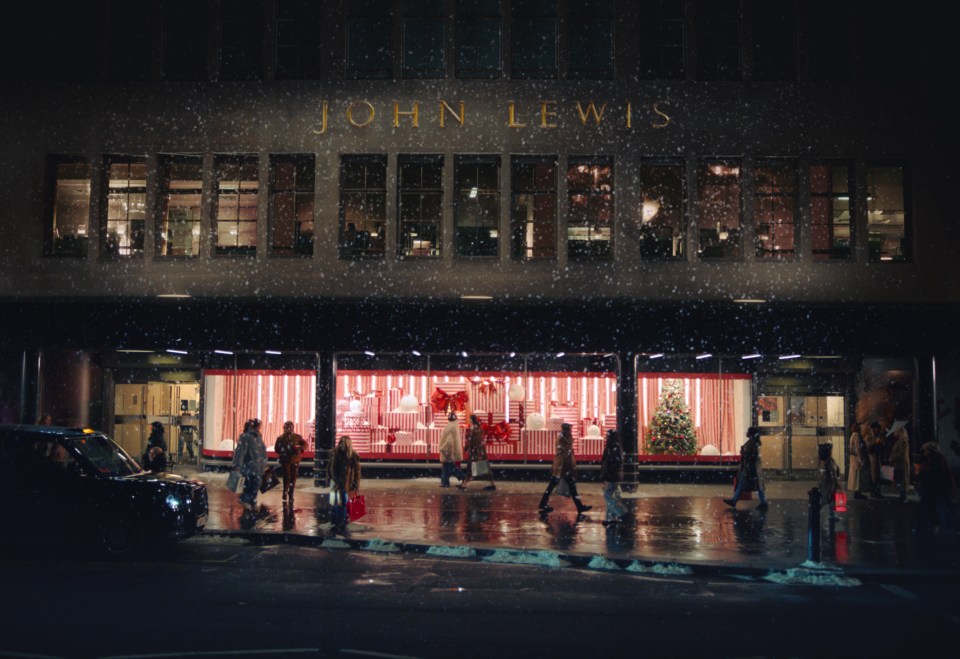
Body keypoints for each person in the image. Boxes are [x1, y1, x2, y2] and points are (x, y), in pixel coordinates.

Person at [538, 422, 592, 515]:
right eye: (569, 430)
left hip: (563, 467)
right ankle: (579, 507)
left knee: (555, 486)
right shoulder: (562, 439)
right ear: (566, 431)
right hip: (562, 467)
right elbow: (567, 450)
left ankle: (543, 504)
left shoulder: (564, 439)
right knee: (569, 487)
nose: (571, 431)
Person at [913, 441, 959, 535]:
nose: (924, 452)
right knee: (927, 507)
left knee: (947, 507)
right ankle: (922, 527)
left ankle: (954, 526)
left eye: (926, 450)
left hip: (940, 488)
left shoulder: (939, 459)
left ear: (930, 451)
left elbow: (937, 473)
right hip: (931, 488)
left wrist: (924, 469)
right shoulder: (928, 458)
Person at [724, 426, 769, 511]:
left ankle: (735, 500)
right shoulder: (754, 442)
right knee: (755, 486)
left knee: (746, 484)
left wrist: (744, 456)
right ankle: (763, 502)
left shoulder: (752, 444)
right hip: (751, 468)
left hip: (750, 468)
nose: (746, 433)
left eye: (748, 431)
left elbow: (750, 456)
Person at [232, 418, 267, 513]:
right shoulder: (246, 437)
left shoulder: (258, 437)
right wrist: (237, 464)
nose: (260, 428)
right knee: (250, 485)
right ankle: (245, 500)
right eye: (258, 426)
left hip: (257, 467)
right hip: (249, 466)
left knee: (256, 485)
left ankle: (251, 502)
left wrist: (264, 463)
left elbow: (262, 451)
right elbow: (240, 452)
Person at [328, 435, 361, 532]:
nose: (341, 445)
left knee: (343, 503)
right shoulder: (335, 453)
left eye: (343, 443)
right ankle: (337, 522)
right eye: (340, 443)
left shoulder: (352, 456)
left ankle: (342, 522)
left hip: (345, 483)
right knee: (335, 503)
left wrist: (355, 483)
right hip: (336, 482)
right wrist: (331, 479)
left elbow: (357, 471)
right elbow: (330, 468)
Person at [275, 420, 308, 505]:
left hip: (295, 460)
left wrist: (299, 449)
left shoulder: (297, 437)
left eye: (290, 427)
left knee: (293, 477)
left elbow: (305, 445)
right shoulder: (280, 438)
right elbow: (276, 449)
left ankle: (291, 493)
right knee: (287, 476)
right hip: (285, 460)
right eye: (287, 427)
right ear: (284, 428)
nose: (288, 429)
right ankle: (285, 491)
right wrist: (284, 450)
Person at [459, 414, 495, 491]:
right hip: (479, 452)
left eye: (469, 419)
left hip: (475, 453)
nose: (468, 420)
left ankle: (464, 484)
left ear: (472, 420)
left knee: (471, 469)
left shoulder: (474, 430)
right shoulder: (478, 428)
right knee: (483, 469)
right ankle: (492, 484)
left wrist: (464, 450)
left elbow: (470, 442)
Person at [599, 429, 628, 526]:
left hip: (612, 476)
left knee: (607, 495)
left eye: (607, 435)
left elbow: (610, 463)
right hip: (614, 475)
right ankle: (610, 518)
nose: (606, 437)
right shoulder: (615, 446)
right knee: (610, 495)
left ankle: (619, 511)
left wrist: (605, 476)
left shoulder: (612, 447)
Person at [438, 412, 467, 488]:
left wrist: (442, 448)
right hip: (453, 451)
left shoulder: (449, 427)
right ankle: (445, 482)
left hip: (450, 452)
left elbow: (449, 442)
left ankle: (463, 478)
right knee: (448, 468)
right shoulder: (455, 426)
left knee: (449, 468)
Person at [889, 425, 911, 503]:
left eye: (896, 431)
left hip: (902, 464)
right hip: (899, 464)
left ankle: (903, 496)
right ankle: (902, 495)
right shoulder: (899, 441)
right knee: (900, 480)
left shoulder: (903, 441)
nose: (894, 432)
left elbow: (902, 453)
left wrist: (893, 458)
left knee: (903, 480)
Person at [817, 443, 841, 518]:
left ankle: (831, 514)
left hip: (828, 484)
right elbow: (831, 474)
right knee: (827, 499)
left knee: (829, 499)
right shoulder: (828, 462)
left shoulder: (824, 462)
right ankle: (830, 514)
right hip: (829, 484)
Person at [847, 421, 867, 499]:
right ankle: (857, 492)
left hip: (853, 458)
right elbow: (858, 449)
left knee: (854, 475)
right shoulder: (857, 436)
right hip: (856, 458)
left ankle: (856, 492)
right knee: (857, 475)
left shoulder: (852, 435)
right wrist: (861, 459)